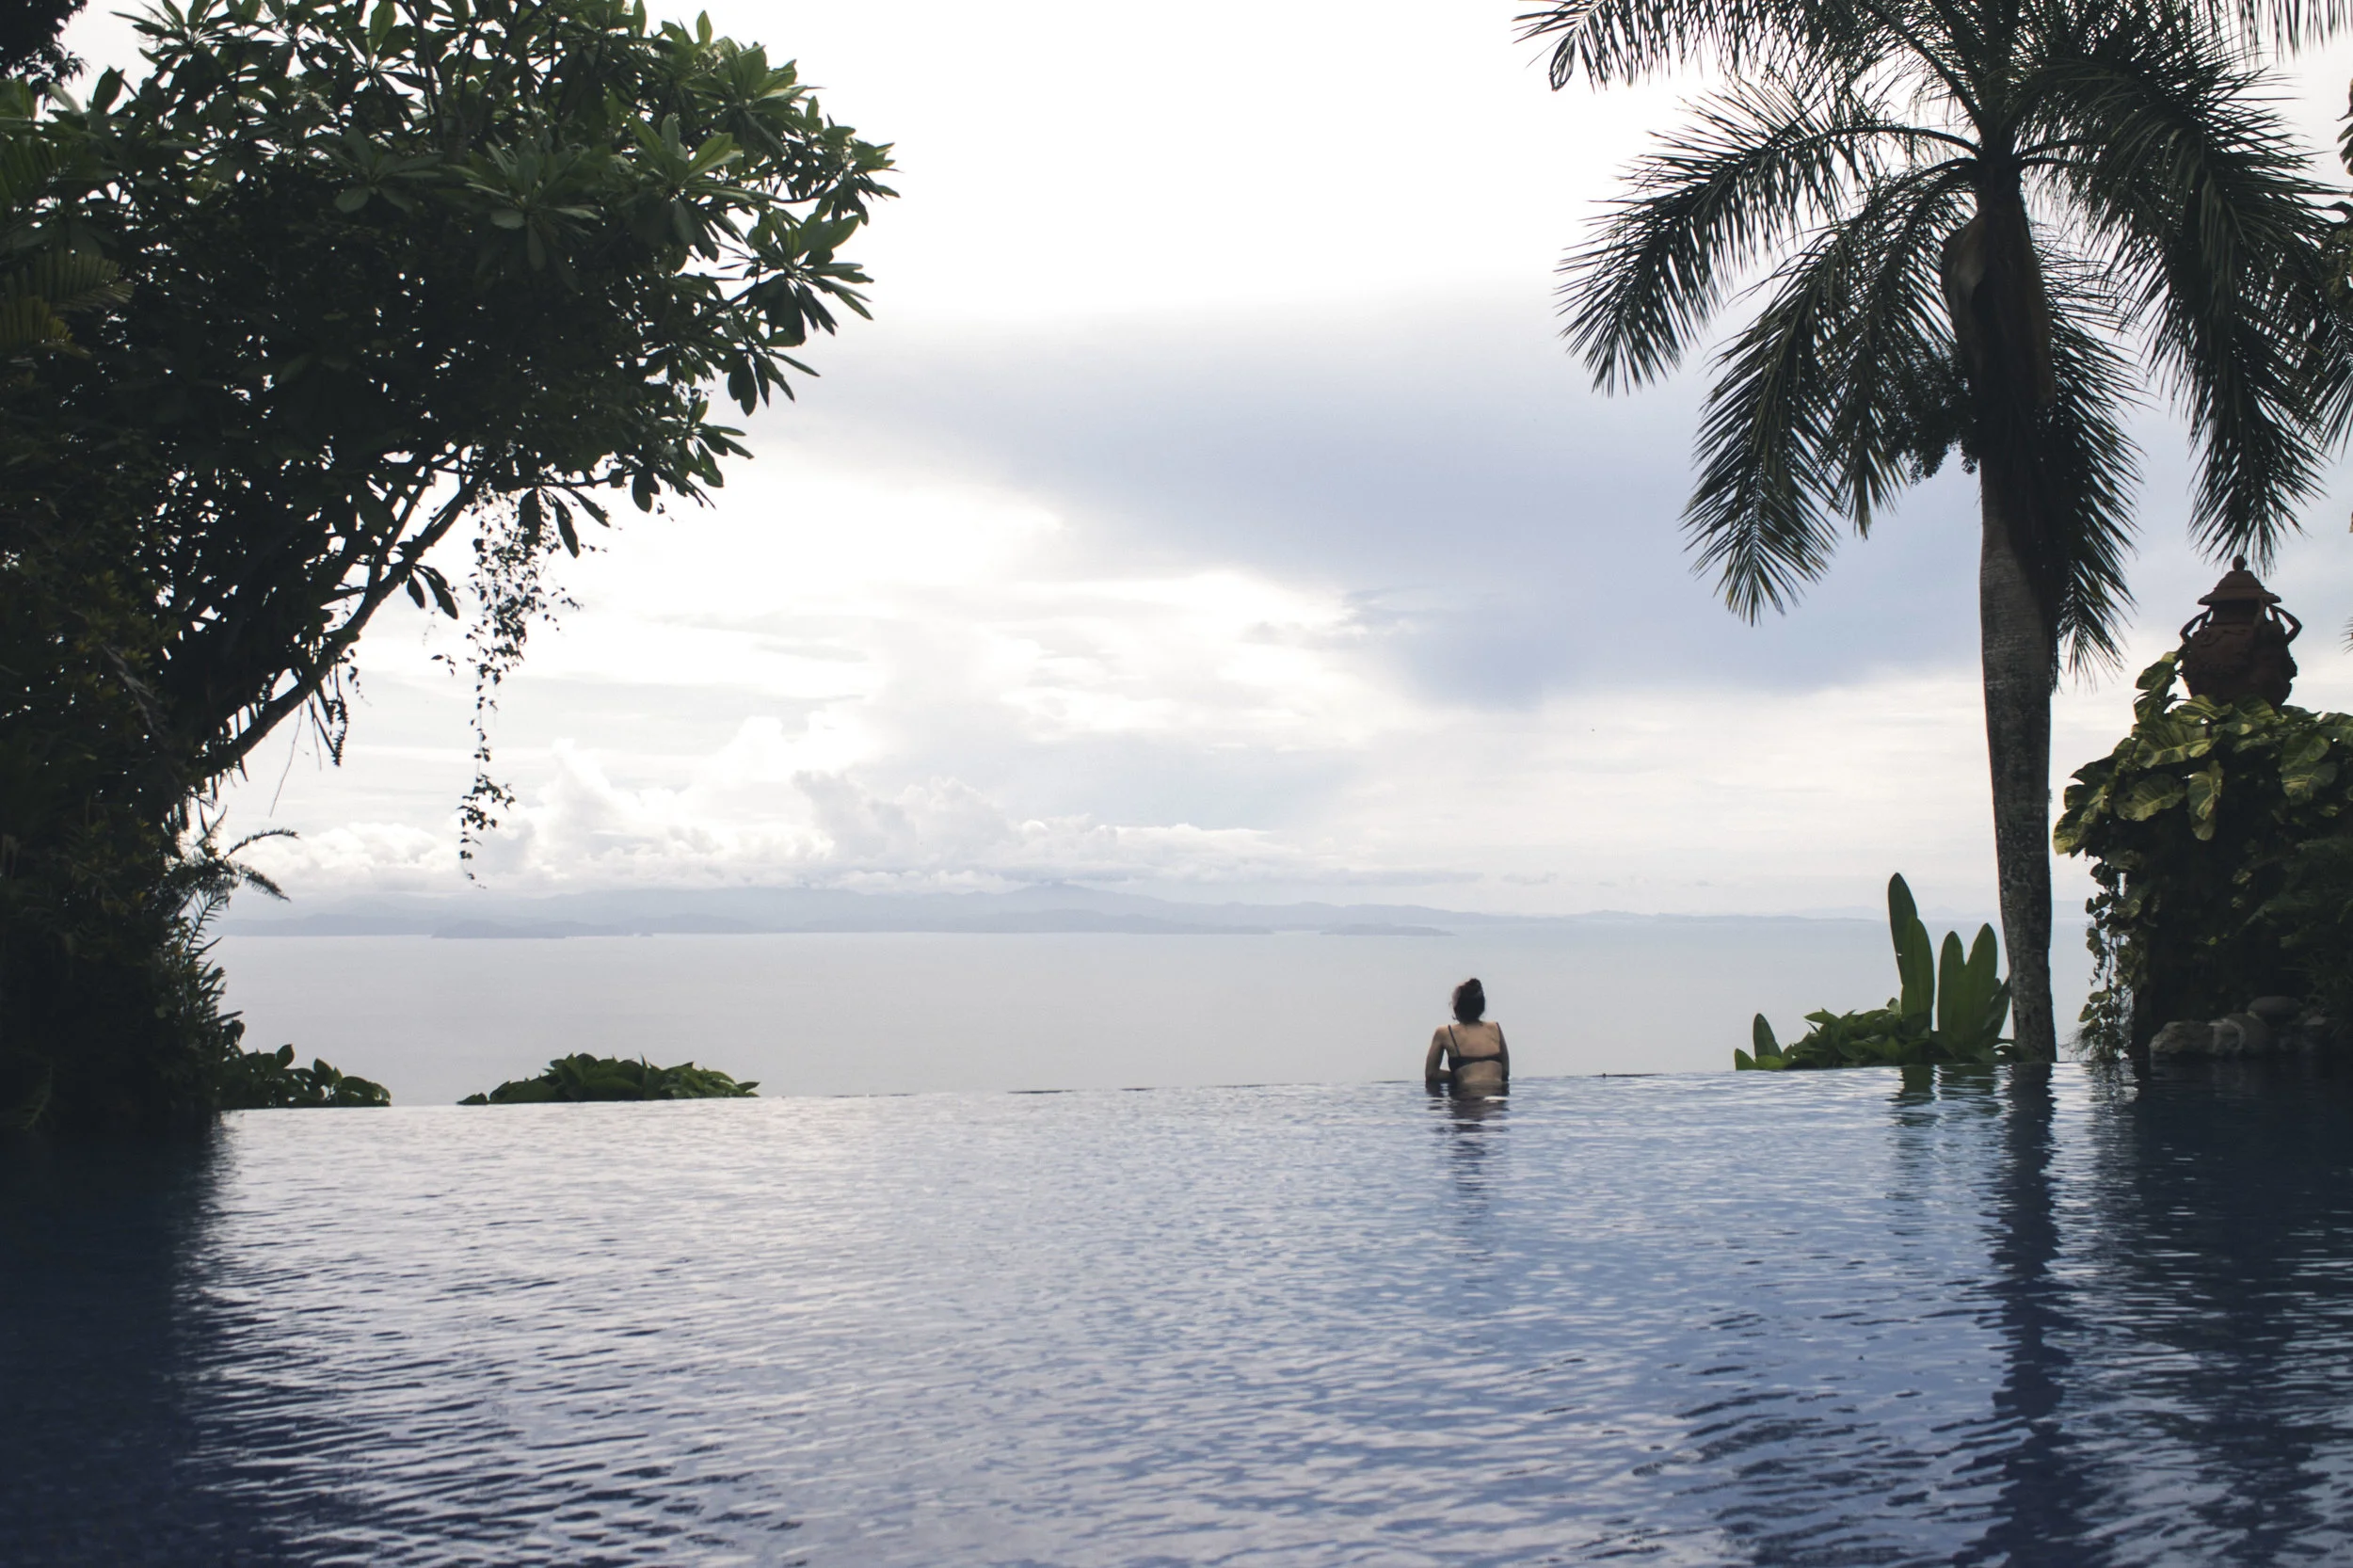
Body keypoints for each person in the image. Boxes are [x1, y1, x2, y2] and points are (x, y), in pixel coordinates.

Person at [1425, 978, 1508, 1095]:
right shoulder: (1495, 1028)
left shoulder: (1445, 1032)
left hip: (1467, 1098)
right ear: (1481, 1006)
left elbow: (1431, 1075)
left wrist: (1461, 1074)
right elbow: (1504, 1071)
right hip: (1497, 1099)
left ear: (1456, 1007)